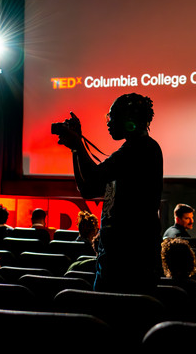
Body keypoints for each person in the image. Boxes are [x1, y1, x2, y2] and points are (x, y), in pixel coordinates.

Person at [54, 92, 163, 294]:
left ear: (129, 119)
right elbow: (88, 189)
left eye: (112, 116)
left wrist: (78, 143)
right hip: (113, 259)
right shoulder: (130, 150)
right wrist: (75, 150)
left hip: (131, 263)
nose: (108, 122)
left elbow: (93, 177)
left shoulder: (142, 150)